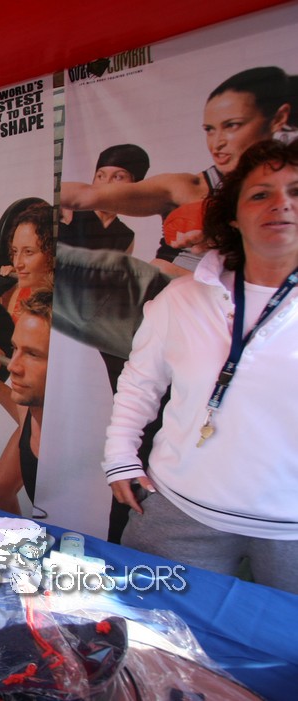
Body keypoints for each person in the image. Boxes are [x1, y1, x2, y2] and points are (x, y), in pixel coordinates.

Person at [103, 139, 298, 593]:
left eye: (296, 191)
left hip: (291, 529)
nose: (282, 204)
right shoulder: (182, 299)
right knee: (152, 625)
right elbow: (140, 382)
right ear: (233, 216)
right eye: (261, 194)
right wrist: (119, 457)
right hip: (180, 510)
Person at [61, 66, 294, 276]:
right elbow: (85, 195)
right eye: (210, 130)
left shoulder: (287, 191)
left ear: (279, 118)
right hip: (161, 298)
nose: (217, 143)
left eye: (232, 125)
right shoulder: (186, 188)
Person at [0, 289, 52, 516]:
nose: (12, 366)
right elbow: (21, 411)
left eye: (33, 354)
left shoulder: (85, 451)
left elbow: (60, 532)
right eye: (15, 349)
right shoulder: (33, 415)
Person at [58, 144, 150, 253]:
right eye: (100, 176)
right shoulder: (68, 211)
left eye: (118, 177)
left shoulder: (126, 236)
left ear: (135, 185)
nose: (106, 184)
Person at [0, 201, 55, 321]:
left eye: (28, 252)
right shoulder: (20, 290)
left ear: (52, 252)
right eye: (15, 251)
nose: (17, 263)